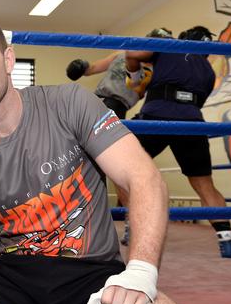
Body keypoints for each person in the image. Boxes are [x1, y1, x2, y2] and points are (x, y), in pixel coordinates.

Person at [0, 11, 194, 304]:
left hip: (90, 273)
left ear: (7, 60)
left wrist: (142, 269)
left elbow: (143, 177)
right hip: (15, 273)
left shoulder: (67, 103)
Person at [125, 25, 231, 259]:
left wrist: (135, 74)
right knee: (204, 185)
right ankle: (227, 240)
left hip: (156, 119)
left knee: (125, 167)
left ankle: (131, 227)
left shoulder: (169, 47)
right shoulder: (208, 71)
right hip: (191, 124)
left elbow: (132, 54)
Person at [66, 27, 173, 246]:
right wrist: (82, 66)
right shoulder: (121, 53)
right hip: (95, 101)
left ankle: (132, 223)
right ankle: (78, 222)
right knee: (80, 161)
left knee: (116, 168)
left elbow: (137, 89)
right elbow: (93, 68)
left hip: (117, 106)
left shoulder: (155, 69)